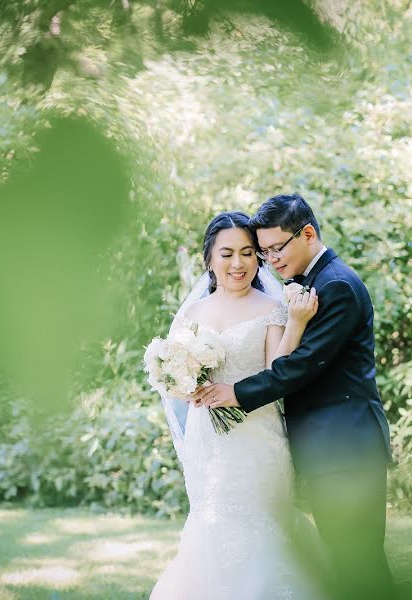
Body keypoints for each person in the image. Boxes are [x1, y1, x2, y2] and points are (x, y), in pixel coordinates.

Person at [195, 193, 394, 600]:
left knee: (360, 563)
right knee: (347, 561)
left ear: (307, 233)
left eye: (274, 249)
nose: (271, 260)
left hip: (345, 448)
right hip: (330, 450)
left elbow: (299, 366)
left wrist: (236, 392)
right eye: (264, 252)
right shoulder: (310, 282)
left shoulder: (335, 285)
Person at [150, 210, 323, 600]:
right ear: (209, 259)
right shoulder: (193, 313)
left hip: (257, 439)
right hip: (207, 440)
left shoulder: (271, 307)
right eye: (227, 253)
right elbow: (177, 376)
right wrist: (185, 386)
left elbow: (277, 375)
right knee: (209, 522)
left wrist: (295, 325)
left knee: (258, 522)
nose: (238, 263)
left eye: (248, 253)